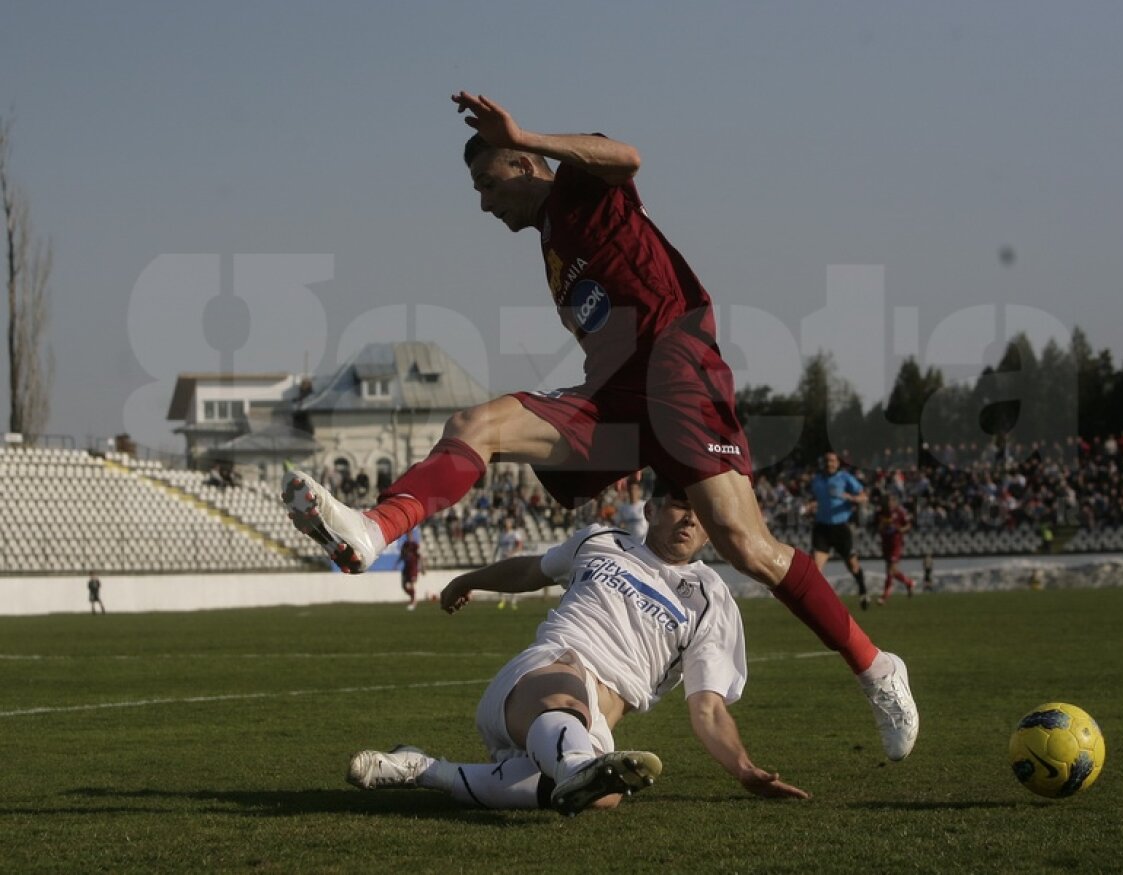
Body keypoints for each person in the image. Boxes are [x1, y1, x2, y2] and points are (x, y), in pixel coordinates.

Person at [284, 92, 917, 761]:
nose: (483, 203)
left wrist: (526, 131)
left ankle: (878, 669)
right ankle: (376, 524)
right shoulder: (553, 246)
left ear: (524, 165)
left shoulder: (579, 189)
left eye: (488, 183)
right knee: (478, 423)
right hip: (614, 397)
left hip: (676, 362)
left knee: (744, 546)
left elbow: (627, 157)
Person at [346, 483, 810, 814]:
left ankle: (424, 768)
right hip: (545, 675)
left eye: (701, 514)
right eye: (678, 505)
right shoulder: (601, 540)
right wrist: (471, 580)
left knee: (604, 796)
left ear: (712, 530)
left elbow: (707, 708)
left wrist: (745, 770)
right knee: (567, 700)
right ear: (649, 509)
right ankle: (575, 766)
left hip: (591, 730)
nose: (689, 518)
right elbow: (533, 570)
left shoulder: (712, 600)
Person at [807, 452, 871, 610]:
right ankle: (820, 602)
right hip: (822, 527)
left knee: (852, 565)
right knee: (816, 566)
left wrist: (850, 498)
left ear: (837, 463)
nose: (830, 464)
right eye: (828, 461)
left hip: (841, 527)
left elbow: (864, 497)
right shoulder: (817, 480)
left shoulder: (845, 478)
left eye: (833, 461)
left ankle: (863, 591)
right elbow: (817, 499)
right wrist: (811, 506)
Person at [875, 494, 915, 604]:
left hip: (896, 543)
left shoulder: (900, 512)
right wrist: (883, 524)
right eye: (887, 501)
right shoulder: (881, 513)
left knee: (891, 569)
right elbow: (878, 528)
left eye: (890, 501)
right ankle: (909, 582)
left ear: (894, 502)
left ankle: (885, 595)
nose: (888, 504)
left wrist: (901, 530)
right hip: (885, 543)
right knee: (890, 570)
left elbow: (908, 525)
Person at [493, 517, 525, 609]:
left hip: (513, 559)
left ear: (511, 524)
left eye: (508, 522)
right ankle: (502, 600)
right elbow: (499, 547)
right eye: (505, 522)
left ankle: (513, 601)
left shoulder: (515, 534)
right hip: (503, 559)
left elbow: (520, 545)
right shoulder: (502, 534)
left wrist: (512, 553)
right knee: (501, 580)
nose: (506, 524)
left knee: (514, 581)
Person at [399, 534, 421, 611]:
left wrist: (423, 567)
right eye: (408, 535)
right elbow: (401, 555)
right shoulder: (405, 545)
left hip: (413, 568)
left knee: (411, 584)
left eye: (411, 535)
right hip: (406, 568)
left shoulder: (415, 545)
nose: (409, 536)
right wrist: (396, 564)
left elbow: (420, 556)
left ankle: (413, 602)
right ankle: (412, 597)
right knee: (404, 586)